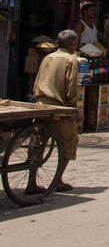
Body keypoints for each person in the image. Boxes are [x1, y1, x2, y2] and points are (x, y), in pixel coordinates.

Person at [32, 29, 80, 192]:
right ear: (73, 44)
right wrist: (74, 109)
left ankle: (31, 182)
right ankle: (58, 180)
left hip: (40, 104)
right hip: (60, 107)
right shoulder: (71, 59)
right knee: (69, 141)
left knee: (39, 143)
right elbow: (71, 87)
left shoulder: (48, 57)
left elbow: (37, 80)